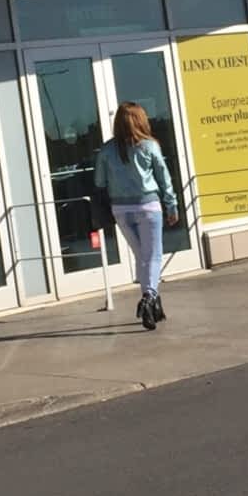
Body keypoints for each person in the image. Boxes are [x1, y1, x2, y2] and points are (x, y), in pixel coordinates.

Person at [93, 102, 179, 331]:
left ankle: (153, 305)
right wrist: (171, 205)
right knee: (153, 256)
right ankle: (149, 297)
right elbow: (164, 178)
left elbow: (99, 182)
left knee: (142, 257)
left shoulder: (106, 150)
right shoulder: (149, 146)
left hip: (120, 209)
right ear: (141, 120)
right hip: (148, 206)